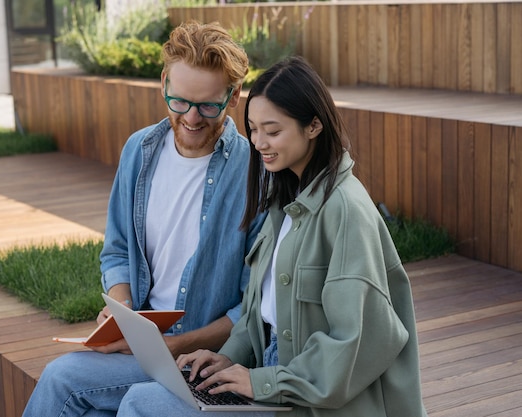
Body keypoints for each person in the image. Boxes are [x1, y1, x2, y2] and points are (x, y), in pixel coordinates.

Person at [117, 56, 429, 417]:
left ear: (313, 126)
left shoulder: (345, 210)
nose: (259, 142)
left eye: (273, 131)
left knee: (141, 404)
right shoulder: (284, 199)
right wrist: (225, 358)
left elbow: (357, 341)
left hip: (307, 394)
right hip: (269, 372)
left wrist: (264, 383)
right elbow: (260, 312)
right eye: (253, 129)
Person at [22, 21, 264, 417]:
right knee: (57, 378)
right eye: (179, 101)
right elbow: (117, 250)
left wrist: (178, 345)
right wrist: (123, 311)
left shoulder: (255, 172)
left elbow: (252, 306)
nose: (191, 118)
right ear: (164, 82)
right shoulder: (140, 150)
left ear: (234, 95)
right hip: (147, 346)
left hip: (209, 355)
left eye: (208, 105)